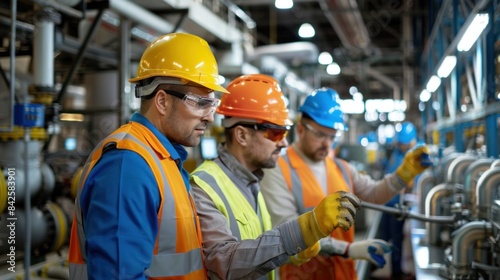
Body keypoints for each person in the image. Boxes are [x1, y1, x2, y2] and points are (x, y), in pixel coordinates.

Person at [67, 33, 230, 279]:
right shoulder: (127, 167)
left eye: (212, 104)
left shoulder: (163, 159)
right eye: (200, 103)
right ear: (162, 101)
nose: (209, 117)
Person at [190, 74, 362, 280]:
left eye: (285, 133)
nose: (284, 144)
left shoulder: (252, 183)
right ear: (242, 135)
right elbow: (224, 263)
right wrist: (306, 228)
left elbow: (263, 250)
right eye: (275, 133)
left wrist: (304, 246)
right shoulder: (204, 187)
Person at [260, 87, 431, 280]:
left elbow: (375, 194)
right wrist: (347, 249)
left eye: (332, 136)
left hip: (342, 273)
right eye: (320, 135)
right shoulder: (278, 171)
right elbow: (287, 236)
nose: (327, 144)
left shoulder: (342, 168)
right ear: (300, 129)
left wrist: (404, 174)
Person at [378, 121, 418, 279]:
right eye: (399, 142)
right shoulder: (397, 153)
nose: (400, 145)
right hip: (387, 202)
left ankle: (396, 272)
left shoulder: (414, 156)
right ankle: (374, 266)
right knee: (384, 236)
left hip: (398, 206)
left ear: (411, 142)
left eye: (403, 143)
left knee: (396, 239)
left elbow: (412, 183)